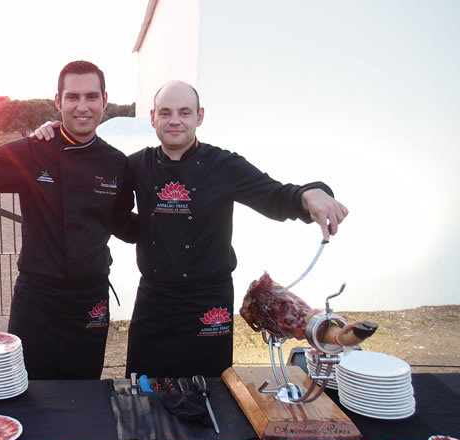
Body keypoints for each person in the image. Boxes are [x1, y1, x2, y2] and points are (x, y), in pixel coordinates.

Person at [33, 80, 348, 378]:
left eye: (184, 113)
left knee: (213, 396)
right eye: (166, 113)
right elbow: (108, 204)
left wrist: (312, 193)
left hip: (209, 302)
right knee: (144, 393)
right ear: (153, 118)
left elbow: (276, 196)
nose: (175, 121)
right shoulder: (135, 165)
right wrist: (54, 137)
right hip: (155, 302)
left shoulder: (224, 165)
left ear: (199, 117)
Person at [0, 60, 135, 380]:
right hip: (38, 299)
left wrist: (167, 225)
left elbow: (123, 222)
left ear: (104, 101)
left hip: (90, 300)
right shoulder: (35, 151)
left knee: (83, 389)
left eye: (92, 97)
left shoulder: (116, 163)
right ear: (58, 101)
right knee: (24, 387)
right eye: (73, 97)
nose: (83, 106)